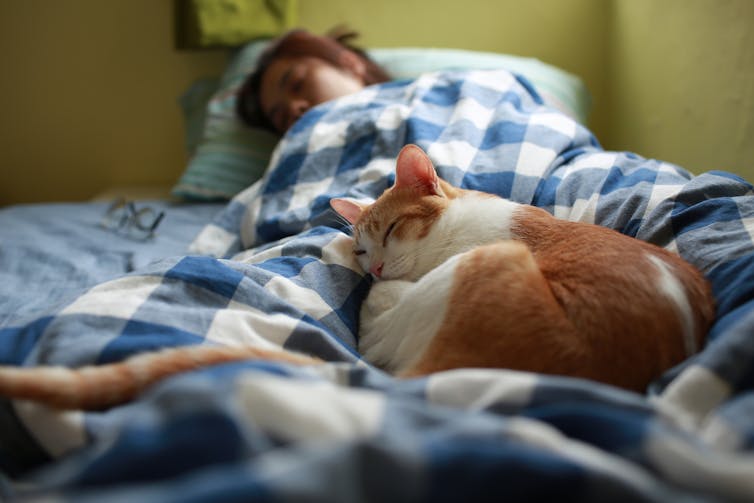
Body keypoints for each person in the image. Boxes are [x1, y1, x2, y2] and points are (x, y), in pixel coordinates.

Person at [236, 28, 391, 134]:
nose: (294, 108)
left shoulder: (412, 98)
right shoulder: (286, 164)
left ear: (350, 64)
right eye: (282, 118)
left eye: (297, 85)